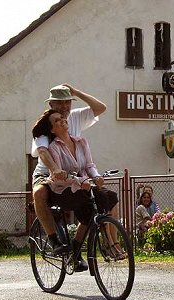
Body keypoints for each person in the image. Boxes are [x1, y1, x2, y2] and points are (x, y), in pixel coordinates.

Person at [32, 110, 122, 271]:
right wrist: (80, 180)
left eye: (62, 118)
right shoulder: (53, 146)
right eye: (57, 121)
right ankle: (56, 240)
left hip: (82, 184)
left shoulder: (81, 142)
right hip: (63, 189)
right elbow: (58, 175)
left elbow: (89, 166)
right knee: (85, 205)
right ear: (52, 129)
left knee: (108, 197)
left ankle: (82, 248)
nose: (62, 120)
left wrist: (96, 177)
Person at [31, 84, 106, 258]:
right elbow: (42, 151)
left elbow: (101, 108)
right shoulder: (45, 124)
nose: (64, 107)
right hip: (47, 173)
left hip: (75, 174)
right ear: (51, 105)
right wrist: (54, 169)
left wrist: (77, 92)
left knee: (93, 205)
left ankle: (76, 247)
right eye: (59, 103)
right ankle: (54, 240)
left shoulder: (76, 116)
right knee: (39, 194)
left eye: (68, 102)